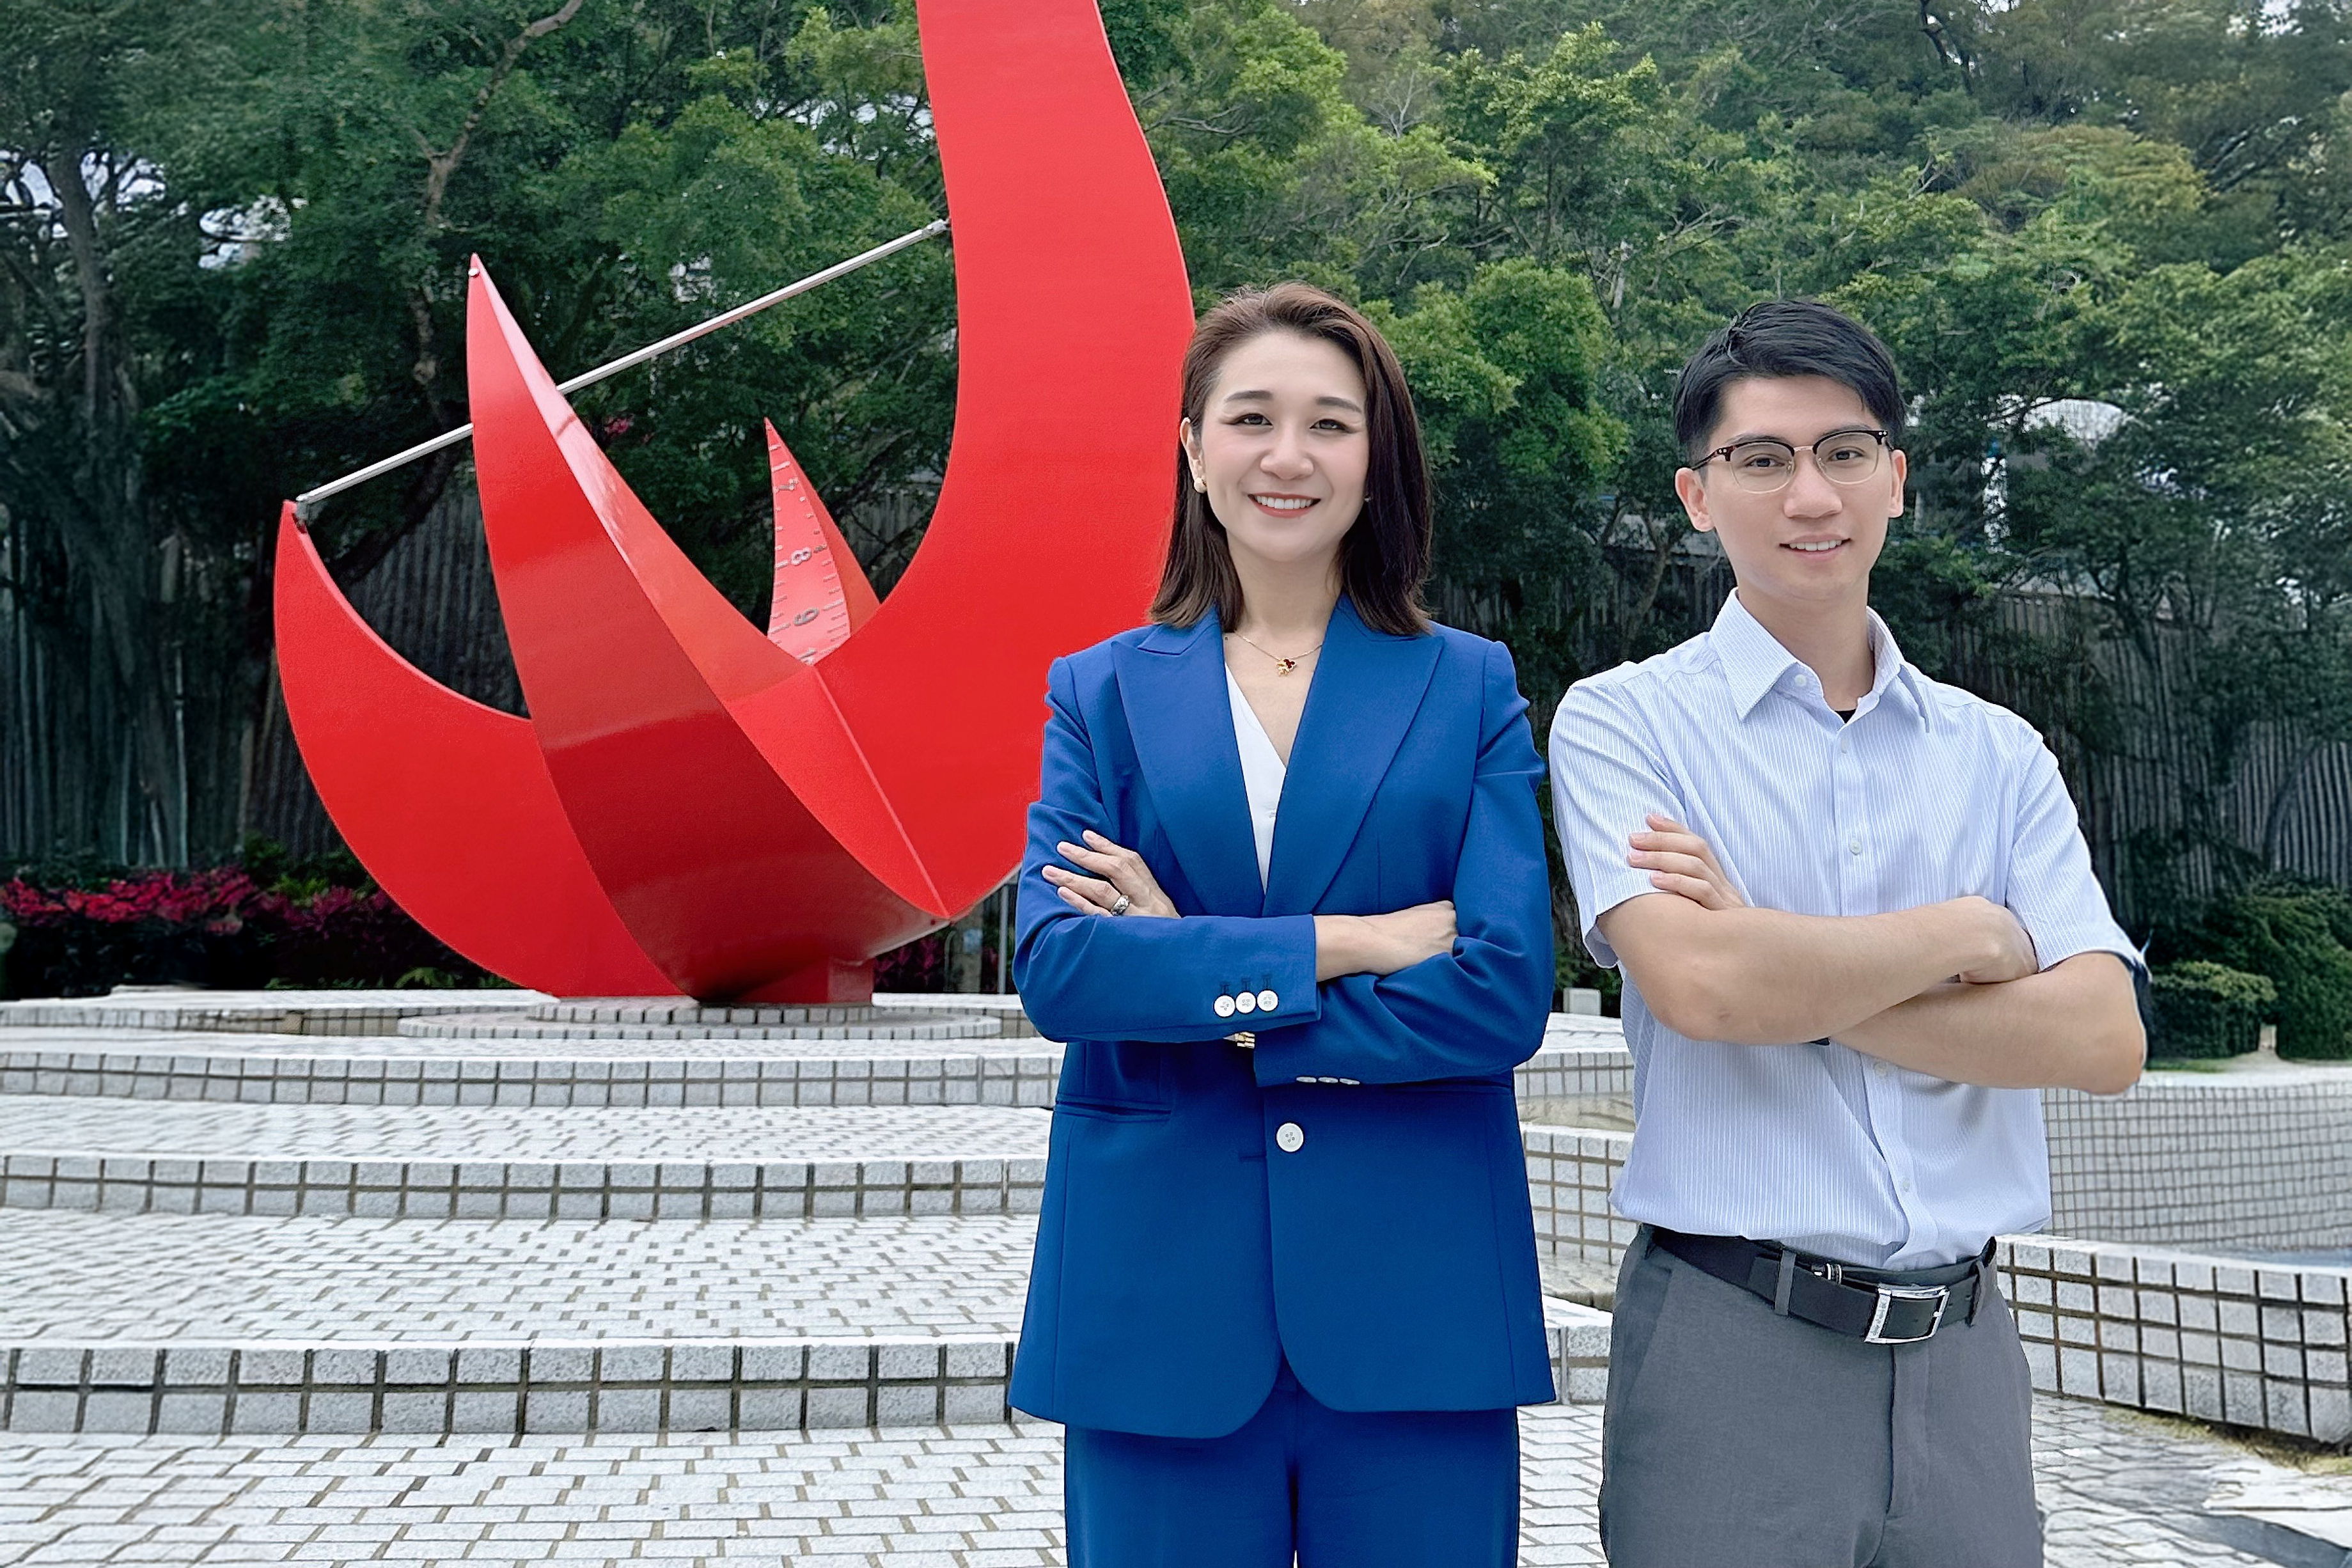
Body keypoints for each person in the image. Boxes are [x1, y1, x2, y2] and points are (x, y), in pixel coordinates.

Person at [1548, 299, 2146, 1568]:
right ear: (1697, 496)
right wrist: (1973, 930)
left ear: (1898, 479)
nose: (1808, 491)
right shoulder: (1625, 724)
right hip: (1732, 1339)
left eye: (1845, 450)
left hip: (1967, 1350)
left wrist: (1779, 951)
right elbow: (1702, 987)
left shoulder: (1997, 754)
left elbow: (2100, 1036)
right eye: (1762, 458)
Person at [1007, 282, 1557, 1567]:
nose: (1289, 455)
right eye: (1251, 417)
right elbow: (1066, 968)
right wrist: (1342, 943)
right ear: (1196, 451)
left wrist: (1194, 971)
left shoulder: (1467, 685)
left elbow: (1500, 991)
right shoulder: (1100, 692)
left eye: (1332, 423)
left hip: (1417, 1307)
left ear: (1379, 461)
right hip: (1159, 1313)